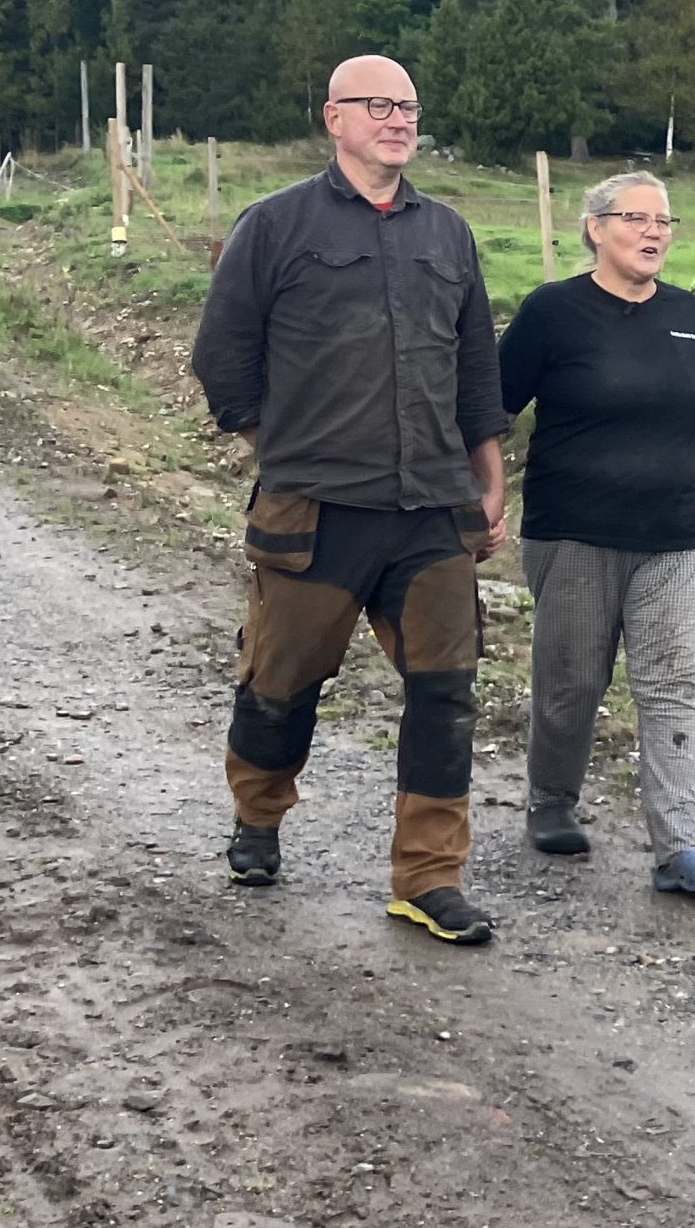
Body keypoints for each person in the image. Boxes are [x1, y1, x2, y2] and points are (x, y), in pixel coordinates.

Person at [189, 55, 511, 946]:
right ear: (334, 118)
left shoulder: (447, 233)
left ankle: (428, 877)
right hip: (315, 513)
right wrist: (283, 448)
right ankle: (258, 817)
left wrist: (489, 479)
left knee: (446, 694)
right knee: (281, 684)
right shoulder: (276, 225)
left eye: (409, 106)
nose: (399, 119)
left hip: (432, 512)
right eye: (379, 105)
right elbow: (223, 356)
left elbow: (476, 370)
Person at [496, 172, 695, 897]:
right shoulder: (551, 312)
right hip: (574, 531)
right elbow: (491, 410)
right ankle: (552, 799)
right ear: (595, 228)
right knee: (573, 678)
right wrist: (482, 492)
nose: (653, 232)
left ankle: (679, 847)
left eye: (664, 221)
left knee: (671, 683)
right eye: (636, 218)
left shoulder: (690, 314)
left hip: (675, 535)